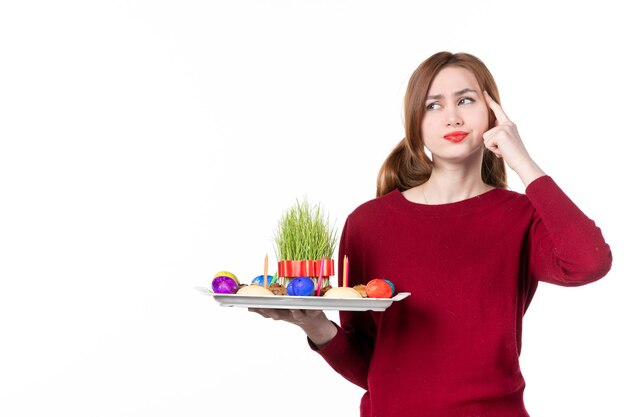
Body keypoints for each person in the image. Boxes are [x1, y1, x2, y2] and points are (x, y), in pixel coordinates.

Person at [250, 51, 612, 417]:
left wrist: (521, 160)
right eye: (433, 105)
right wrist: (314, 324)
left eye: (466, 100)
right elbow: (369, 369)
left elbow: (588, 262)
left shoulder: (520, 216)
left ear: (493, 112)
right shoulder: (367, 224)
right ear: (415, 123)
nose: (452, 116)